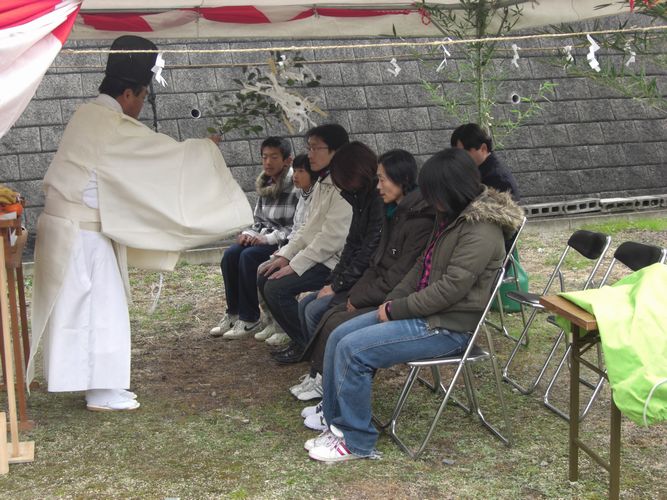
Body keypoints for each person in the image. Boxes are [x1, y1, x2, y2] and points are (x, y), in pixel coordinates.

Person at [27, 35, 252, 412]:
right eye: (143, 97)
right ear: (129, 93)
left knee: (85, 312)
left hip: (71, 229)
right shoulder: (111, 124)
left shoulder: (88, 114)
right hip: (81, 236)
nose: (142, 105)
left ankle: (99, 385)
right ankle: (102, 390)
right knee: (98, 312)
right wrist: (206, 151)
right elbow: (165, 160)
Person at [305, 148, 523, 462]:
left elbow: (450, 290)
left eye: (433, 193)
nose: (429, 199)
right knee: (339, 335)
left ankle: (356, 440)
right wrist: (393, 300)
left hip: (447, 326)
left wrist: (396, 309)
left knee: (354, 350)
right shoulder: (453, 217)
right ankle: (335, 421)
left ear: (451, 190)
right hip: (423, 312)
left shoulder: (481, 230)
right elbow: (421, 266)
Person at [293, 149, 435, 412]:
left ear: (403, 178)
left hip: (402, 305)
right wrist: (353, 294)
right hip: (383, 293)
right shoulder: (395, 210)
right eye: (377, 179)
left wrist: (358, 297)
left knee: (335, 322)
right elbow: (375, 260)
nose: (378, 186)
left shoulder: (421, 219)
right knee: (330, 312)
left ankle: (332, 396)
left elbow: (403, 275)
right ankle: (326, 386)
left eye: (383, 179)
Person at [274, 141, 384, 366]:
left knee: (316, 310)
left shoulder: (376, 202)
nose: (311, 154)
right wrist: (334, 282)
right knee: (306, 305)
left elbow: (366, 251)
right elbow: (352, 244)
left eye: (315, 148)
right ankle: (316, 363)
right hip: (348, 272)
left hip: (366, 279)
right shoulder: (355, 197)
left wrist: (337, 285)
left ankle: (322, 367)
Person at [257, 124, 352, 361]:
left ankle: (307, 344)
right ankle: (303, 340)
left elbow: (331, 239)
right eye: (308, 148)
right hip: (319, 255)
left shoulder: (344, 185)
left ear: (336, 151)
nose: (310, 154)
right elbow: (307, 227)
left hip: (335, 262)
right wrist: (285, 255)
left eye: (315, 148)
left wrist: (295, 264)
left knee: (276, 288)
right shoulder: (323, 182)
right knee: (265, 275)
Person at [210, 137, 298, 339]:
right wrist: (248, 234)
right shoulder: (265, 182)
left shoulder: (296, 186)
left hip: (285, 243)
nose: (268, 162)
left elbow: (297, 228)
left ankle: (250, 318)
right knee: (231, 254)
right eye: (264, 157)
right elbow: (258, 220)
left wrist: (266, 239)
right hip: (265, 239)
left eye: (274, 157)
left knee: (248, 257)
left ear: (287, 160)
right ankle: (234, 313)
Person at [255, 154, 318, 346]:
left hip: (316, 257)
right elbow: (298, 231)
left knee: (276, 284)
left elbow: (312, 235)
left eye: (301, 171)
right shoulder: (303, 196)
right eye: (295, 171)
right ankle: (275, 322)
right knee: (263, 271)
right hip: (296, 250)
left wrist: (290, 257)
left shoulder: (317, 196)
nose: (295, 176)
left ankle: (291, 334)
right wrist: (284, 253)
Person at [450, 123, 520, 201]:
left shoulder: (499, 180)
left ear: (483, 148)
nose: (460, 158)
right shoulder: (475, 170)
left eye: (464, 153)